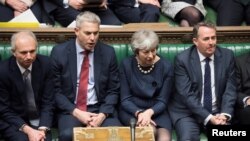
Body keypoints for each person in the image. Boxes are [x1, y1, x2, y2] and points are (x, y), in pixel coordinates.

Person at [50, 11, 122, 141]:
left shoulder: (108, 53)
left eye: (96, 33)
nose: (93, 38)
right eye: (88, 33)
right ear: (77, 31)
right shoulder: (59, 53)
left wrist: (102, 114)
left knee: (117, 135)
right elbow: (55, 91)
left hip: (99, 108)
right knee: (68, 135)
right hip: (72, 109)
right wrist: (77, 112)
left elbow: (113, 90)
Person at [168, 22, 237, 141]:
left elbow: (230, 89)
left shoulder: (227, 56)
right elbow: (186, 95)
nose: (211, 42)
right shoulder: (182, 60)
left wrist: (225, 114)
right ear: (195, 41)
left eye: (213, 38)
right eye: (206, 39)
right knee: (187, 138)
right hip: (188, 113)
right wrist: (208, 117)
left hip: (218, 112)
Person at [119, 30, 173, 141]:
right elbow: (125, 99)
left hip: (157, 110)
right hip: (132, 110)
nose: (151, 55)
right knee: (149, 132)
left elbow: (163, 100)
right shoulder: (126, 65)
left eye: (153, 50)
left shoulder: (166, 66)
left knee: (165, 139)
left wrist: (148, 113)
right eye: (146, 52)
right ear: (136, 51)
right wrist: (139, 113)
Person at [0, 31, 54, 141]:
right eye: (24, 52)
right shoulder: (3, 71)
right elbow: (4, 109)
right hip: (15, 121)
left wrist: (42, 129)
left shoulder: (46, 64)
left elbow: (48, 102)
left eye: (32, 51)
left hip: (40, 119)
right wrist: (29, 130)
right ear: (14, 52)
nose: (29, 56)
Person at [43, 0, 121, 27]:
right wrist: (68, 1)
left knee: (115, 25)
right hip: (67, 6)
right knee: (86, 24)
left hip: (96, 5)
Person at [234, 53, 250, 124]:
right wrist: (247, 99)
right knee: (246, 112)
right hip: (247, 105)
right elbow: (234, 90)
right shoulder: (239, 62)